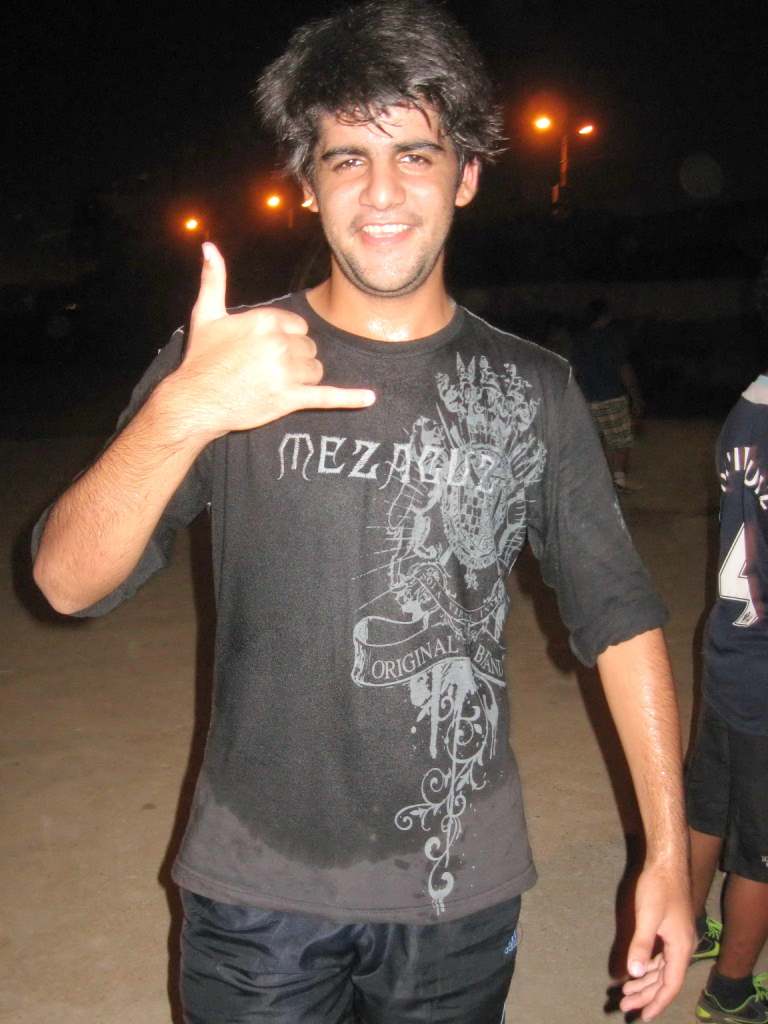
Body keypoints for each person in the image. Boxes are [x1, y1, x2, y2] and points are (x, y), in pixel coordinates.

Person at [32, 3, 693, 1021]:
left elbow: (621, 618)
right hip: (255, 889)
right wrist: (184, 409)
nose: (382, 193)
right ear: (307, 183)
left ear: (467, 174)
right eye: (347, 159)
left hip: (456, 886)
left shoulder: (533, 388)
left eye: (415, 155)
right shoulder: (228, 364)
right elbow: (64, 583)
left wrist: (668, 856)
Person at [685, 371, 768, 1024]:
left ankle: (684, 929)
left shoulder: (749, 406)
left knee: (707, 808)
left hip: (730, 647)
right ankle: (731, 989)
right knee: (763, 854)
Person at [570, 298, 645, 492]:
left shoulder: (580, 340)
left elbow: (573, 372)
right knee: (621, 440)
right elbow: (624, 368)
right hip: (612, 397)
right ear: (605, 316)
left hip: (588, 399)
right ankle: (619, 479)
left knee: (595, 442)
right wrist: (635, 397)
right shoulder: (612, 339)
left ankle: (597, 482)